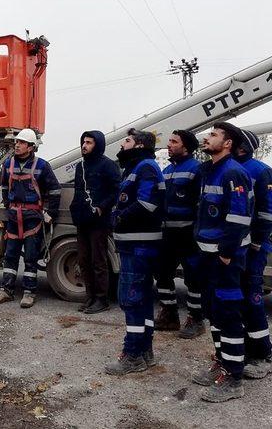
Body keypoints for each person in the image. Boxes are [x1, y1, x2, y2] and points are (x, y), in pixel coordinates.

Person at [192, 122, 253, 402]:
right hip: (208, 256)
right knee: (214, 312)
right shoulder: (211, 170)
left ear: (227, 143)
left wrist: (226, 253)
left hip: (224, 259)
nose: (207, 137)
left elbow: (239, 218)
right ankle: (221, 362)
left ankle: (234, 377)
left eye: (214, 135)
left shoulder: (233, 173)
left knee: (228, 314)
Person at [105, 128, 165, 375]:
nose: (122, 145)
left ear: (139, 145)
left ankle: (132, 355)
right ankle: (144, 350)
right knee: (141, 300)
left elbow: (147, 203)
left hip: (139, 246)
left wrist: (118, 218)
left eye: (127, 141)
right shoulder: (136, 167)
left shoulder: (146, 167)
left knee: (131, 300)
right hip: (135, 245)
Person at [0, 128, 61, 309]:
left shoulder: (42, 166)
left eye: (21, 143)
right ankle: (6, 291)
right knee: (10, 255)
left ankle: (29, 293)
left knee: (30, 256)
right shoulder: (8, 165)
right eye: (17, 142)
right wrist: (7, 204)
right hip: (14, 216)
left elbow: (55, 190)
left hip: (32, 218)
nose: (17, 145)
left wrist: (51, 213)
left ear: (30, 147)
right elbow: (4, 186)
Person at [155, 129, 204, 339]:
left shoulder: (197, 169)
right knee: (162, 273)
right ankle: (170, 315)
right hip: (167, 234)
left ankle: (196, 319)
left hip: (188, 234)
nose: (169, 145)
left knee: (193, 277)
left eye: (174, 142)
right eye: (169, 141)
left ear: (186, 147)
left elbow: (201, 204)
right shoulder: (166, 170)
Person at [233, 130, 272, 379]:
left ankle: (263, 353)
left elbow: (267, 212)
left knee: (251, 297)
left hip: (253, 248)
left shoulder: (259, 170)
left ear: (241, 147)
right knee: (237, 299)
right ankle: (246, 347)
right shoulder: (230, 169)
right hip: (236, 246)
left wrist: (257, 242)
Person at [69, 130, 120, 314]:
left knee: (98, 261)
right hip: (82, 220)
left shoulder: (108, 165)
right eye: (83, 142)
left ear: (97, 144)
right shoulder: (80, 167)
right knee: (83, 260)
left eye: (89, 142)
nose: (84, 145)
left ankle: (101, 299)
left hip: (99, 222)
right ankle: (90, 297)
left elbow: (116, 191)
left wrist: (101, 207)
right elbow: (78, 191)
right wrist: (75, 210)